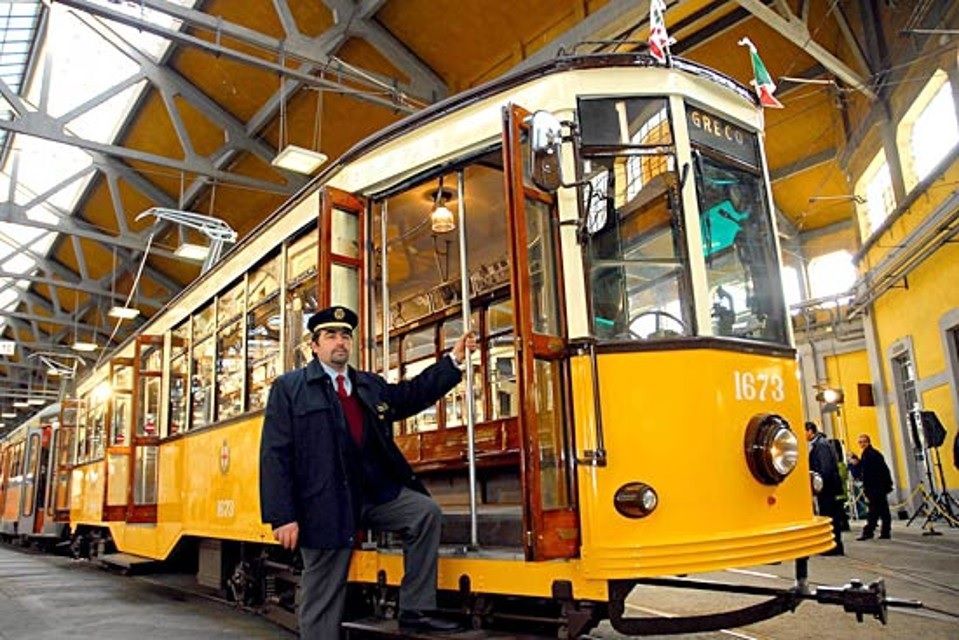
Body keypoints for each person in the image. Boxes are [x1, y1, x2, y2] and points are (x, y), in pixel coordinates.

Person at [259, 305, 477, 638]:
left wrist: (453, 362)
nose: (340, 342)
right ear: (314, 346)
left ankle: (416, 610)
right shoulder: (290, 389)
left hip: (374, 495)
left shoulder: (368, 385)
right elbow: (275, 454)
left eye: (345, 335)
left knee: (424, 512)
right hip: (324, 503)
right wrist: (282, 515)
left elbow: (409, 396)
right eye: (330, 335)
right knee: (323, 591)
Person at [804, 422, 844, 555]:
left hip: (827, 488)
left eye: (804, 431)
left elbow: (825, 468)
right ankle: (832, 545)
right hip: (827, 487)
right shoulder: (821, 443)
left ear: (810, 431)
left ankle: (833, 547)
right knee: (829, 515)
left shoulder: (821, 445)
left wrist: (818, 484)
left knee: (829, 515)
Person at [848, 434, 893, 540]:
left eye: (863, 442)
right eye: (860, 442)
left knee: (874, 511)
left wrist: (856, 465)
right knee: (882, 511)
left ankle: (869, 532)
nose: (862, 444)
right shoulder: (871, 454)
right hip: (879, 487)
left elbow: (867, 472)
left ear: (868, 442)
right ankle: (884, 532)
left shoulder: (870, 454)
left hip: (875, 487)